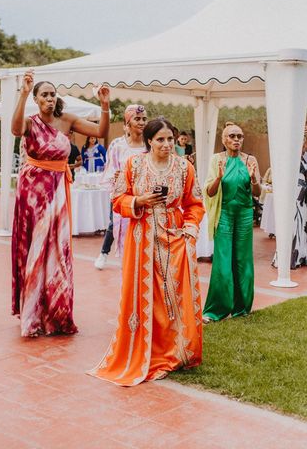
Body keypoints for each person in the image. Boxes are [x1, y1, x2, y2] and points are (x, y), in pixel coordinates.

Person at [89, 117, 205, 385]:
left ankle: (172, 351)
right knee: (145, 295)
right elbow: (117, 200)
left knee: (170, 297)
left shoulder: (184, 167)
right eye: (160, 140)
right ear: (149, 141)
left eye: (170, 140)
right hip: (141, 240)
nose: (166, 145)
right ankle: (144, 350)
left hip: (174, 241)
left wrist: (190, 229)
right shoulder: (134, 165)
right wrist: (138, 201)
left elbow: (194, 203)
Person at [11, 70, 110, 337]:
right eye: (44, 94)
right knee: (35, 248)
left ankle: (55, 311)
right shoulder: (30, 123)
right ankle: (32, 312)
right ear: (36, 99)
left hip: (57, 191)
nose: (50, 98)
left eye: (53, 94)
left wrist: (104, 106)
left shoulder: (66, 120)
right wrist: (22, 94)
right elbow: (15, 130)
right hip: (32, 192)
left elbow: (101, 131)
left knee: (57, 248)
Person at [202, 122, 261, 322]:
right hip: (224, 213)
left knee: (243, 261)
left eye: (240, 136)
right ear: (224, 140)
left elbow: (257, 193)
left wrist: (254, 179)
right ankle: (215, 311)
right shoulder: (216, 160)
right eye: (232, 136)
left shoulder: (250, 160)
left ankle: (242, 307)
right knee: (223, 262)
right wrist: (218, 178)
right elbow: (209, 192)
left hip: (244, 215)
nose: (236, 140)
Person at [93, 105, 147, 270]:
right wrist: (117, 179)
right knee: (115, 225)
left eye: (144, 119)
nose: (142, 122)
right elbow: (110, 172)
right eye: (137, 119)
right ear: (127, 122)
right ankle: (105, 253)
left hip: (144, 198)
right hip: (122, 196)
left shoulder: (150, 145)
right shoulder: (117, 145)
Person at [272, 137, 307, 269]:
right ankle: (289, 258)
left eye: (305, 143)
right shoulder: (289, 158)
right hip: (295, 194)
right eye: (301, 143)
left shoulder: (302, 158)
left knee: (302, 226)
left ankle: (301, 255)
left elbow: (306, 176)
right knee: (294, 224)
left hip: (304, 193)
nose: (304, 146)